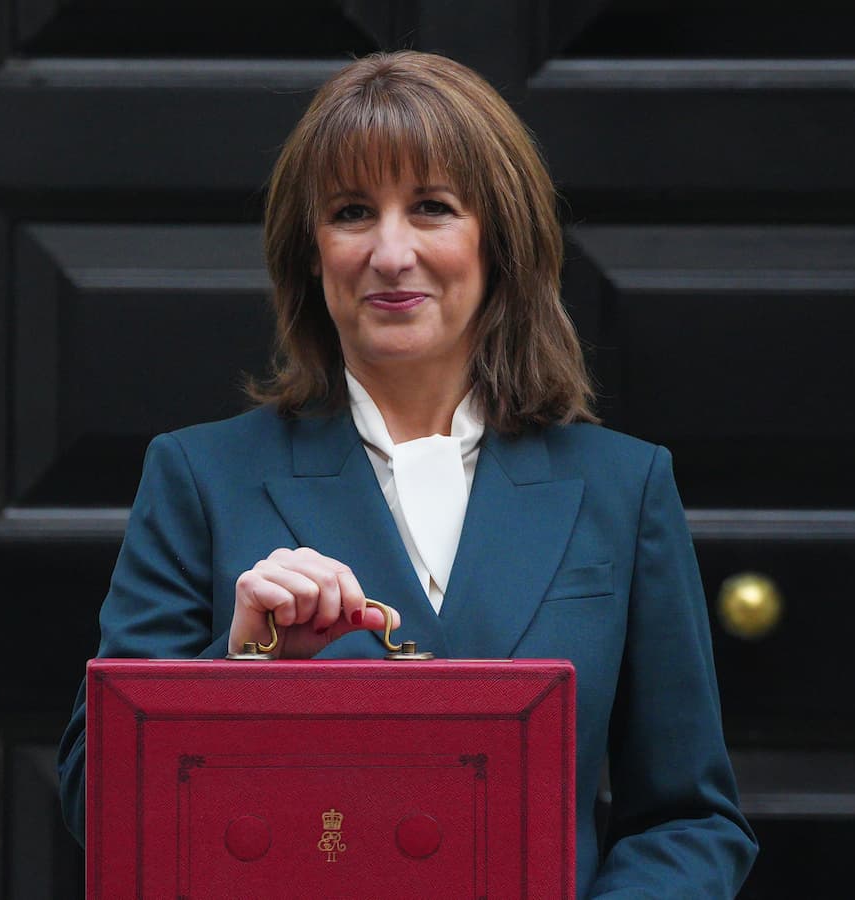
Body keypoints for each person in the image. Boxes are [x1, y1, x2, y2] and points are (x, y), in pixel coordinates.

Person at [57, 50, 756, 897]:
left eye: (431, 208)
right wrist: (244, 662)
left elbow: (687, 817)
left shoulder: (623, 486)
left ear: (498, 242)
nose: (391, 254)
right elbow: (99, 806)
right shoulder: (199, 477)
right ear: (309, 254)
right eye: (353, 212)